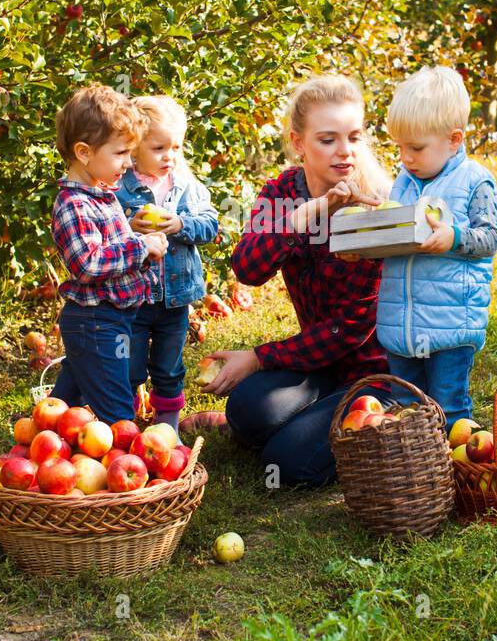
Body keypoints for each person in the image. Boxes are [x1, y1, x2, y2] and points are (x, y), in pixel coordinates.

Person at [200, 74, 393, 486]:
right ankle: (317, 415)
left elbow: (349, 330)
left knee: (286, 464)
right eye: (327, 139)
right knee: (247, 411)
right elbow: (248, 269)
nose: (345, 151)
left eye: (354, 137)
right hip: (320, 366)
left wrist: (258, 357)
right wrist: (307, 213)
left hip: (377, 373)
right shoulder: (283, 191)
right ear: (299, 143)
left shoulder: (373, 208)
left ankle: (377, 424)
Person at [375, 65, 497, 426]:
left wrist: (454, 238)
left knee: (449, 408)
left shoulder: (474, 181)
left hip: (450, 327)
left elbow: (491, 237)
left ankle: (453, 475)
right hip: (400, 326)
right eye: (399, 147)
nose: (405, 158)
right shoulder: (404, 181)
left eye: (415, 147)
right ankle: (416, 475)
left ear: (454, 139)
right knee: (406, 411)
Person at [48, 84, 168, 424]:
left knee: (62, 408)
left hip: (111, 318)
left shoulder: (103, 195)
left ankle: (34, 449)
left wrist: (145, 248)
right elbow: (89, 263)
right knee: (117, 410)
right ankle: (133, 465)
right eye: (120, 153)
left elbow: (115, 252)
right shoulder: (73, 204)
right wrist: (139, 247)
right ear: (84, 152)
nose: (129, 163)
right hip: (95, 322)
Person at [116, 95, 219, 430]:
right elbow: (106, 230)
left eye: (176, 148)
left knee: (169, 367)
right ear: (135, 147)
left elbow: (210, 225)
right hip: (133, 298)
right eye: (159, 148)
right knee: (128, 366)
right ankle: (124, 425)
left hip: (175, 300)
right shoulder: (120, 189)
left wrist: (181, 225)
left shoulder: (186, 187)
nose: (169, 157)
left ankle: (167, 428)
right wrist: (130, 229)